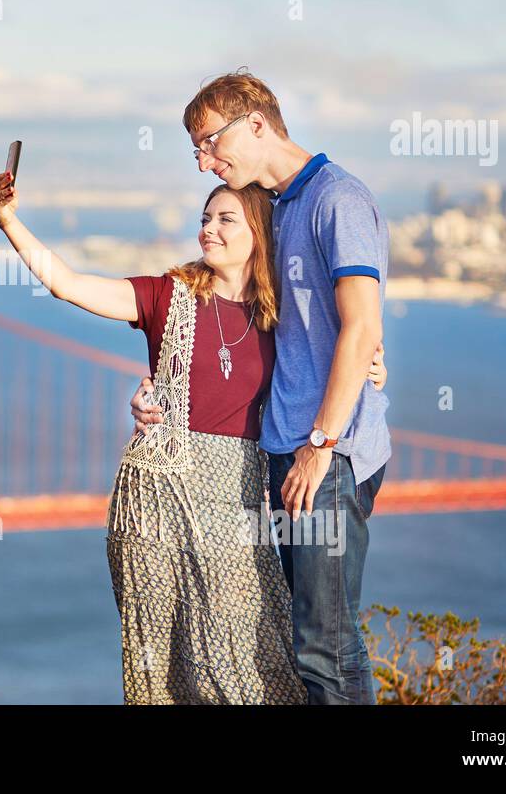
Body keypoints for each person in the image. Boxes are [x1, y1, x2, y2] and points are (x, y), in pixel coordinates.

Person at [0, 168, 386, 704]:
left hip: (235, 497)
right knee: (164, 664)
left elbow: (342, 346)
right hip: (154, 499)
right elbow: (67, 284)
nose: (209, 229)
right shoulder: (164, 296)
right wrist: (8, 220)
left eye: (226, 219)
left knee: (255, 657)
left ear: (258, 234)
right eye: (205, 218)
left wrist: (373, 365)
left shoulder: (280, 317)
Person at [131, 69, 391, 705]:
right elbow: (265, 323)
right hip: (285, 449)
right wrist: (161, 388)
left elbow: (361, 328)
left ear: (255, 124)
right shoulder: (274, 209)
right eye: (196, 149)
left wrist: (321, 445)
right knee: (306, 639)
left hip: (326, 454)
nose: (203, 161)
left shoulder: (337, 199)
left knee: (324, 646)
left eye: (210, 142)